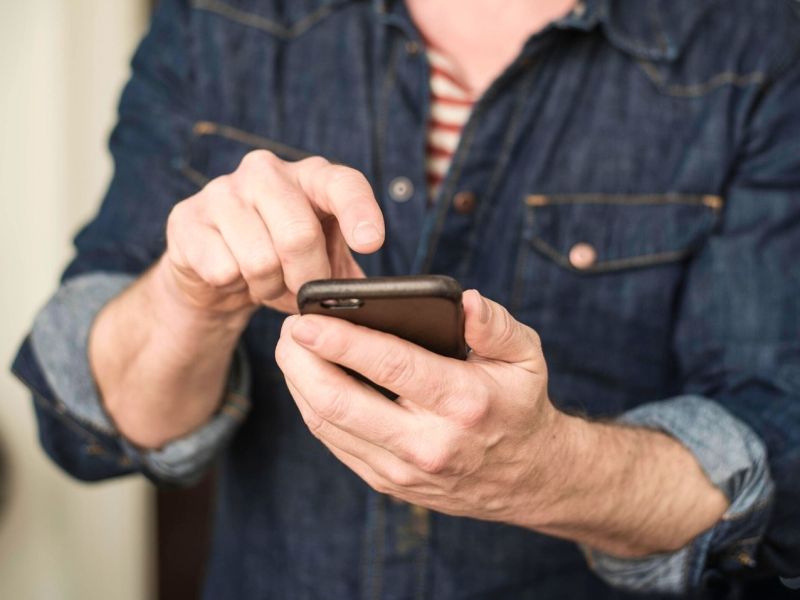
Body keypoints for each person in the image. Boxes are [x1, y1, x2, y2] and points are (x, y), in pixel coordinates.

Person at [11, 0, 800, 597]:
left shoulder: (762, 41)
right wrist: (191, 297)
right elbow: (85, 428)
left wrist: (550, 470)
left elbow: (778, 454)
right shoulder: (220, 17)